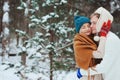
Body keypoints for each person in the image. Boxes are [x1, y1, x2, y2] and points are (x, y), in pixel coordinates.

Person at [73, 16, 110, 80]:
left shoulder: (92, 38)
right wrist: (103, 36)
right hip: (88, 76)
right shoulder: (78, 44)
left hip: (96, 74)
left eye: (88, 26)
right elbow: (99, 54)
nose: (87, 29)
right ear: (79, 31)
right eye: (83, 27)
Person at [90, 7, 120, 80]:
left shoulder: (111, 40)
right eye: (91, 23)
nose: (91, 26)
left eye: (94, 23)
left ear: (102, 22)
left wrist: (83, 71)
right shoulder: (103, 38)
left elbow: (104, 66)